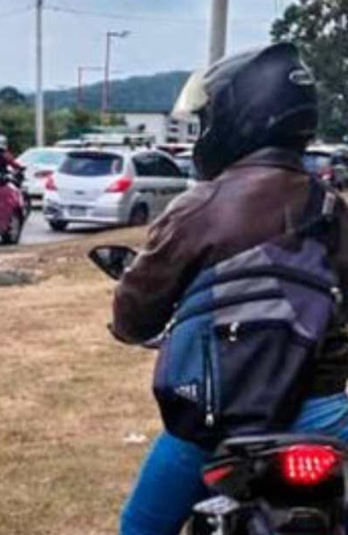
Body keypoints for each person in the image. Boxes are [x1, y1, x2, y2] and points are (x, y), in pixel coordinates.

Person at [111, 43, 348, 535]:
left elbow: (134, 318)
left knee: (139, 528)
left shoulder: (198, 208)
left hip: (218, 419)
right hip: (325, 415)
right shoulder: (335, 210)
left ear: (238, 116)